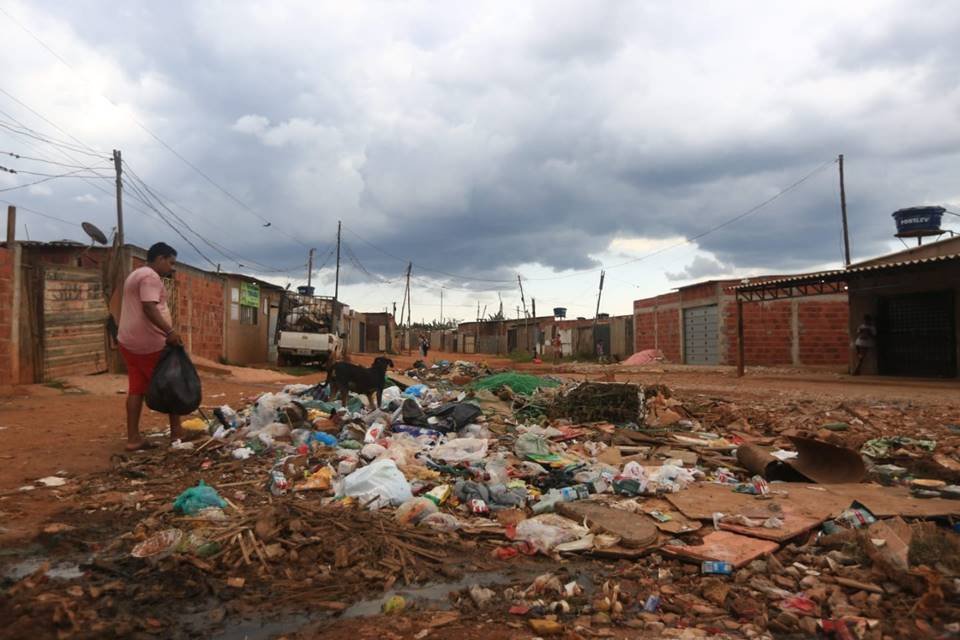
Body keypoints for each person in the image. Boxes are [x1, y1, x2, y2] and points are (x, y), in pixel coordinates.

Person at [117, 242, 185, 450]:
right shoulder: (150, 277)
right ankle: (176, 436)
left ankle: (133, 438)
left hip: (128, 341)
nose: (172, 268)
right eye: (170, 262)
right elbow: (149, 307)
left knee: (136, 389)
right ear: (160, 258)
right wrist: (170, 332)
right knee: (172, 385)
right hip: (150, 343)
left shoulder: (135, 274)